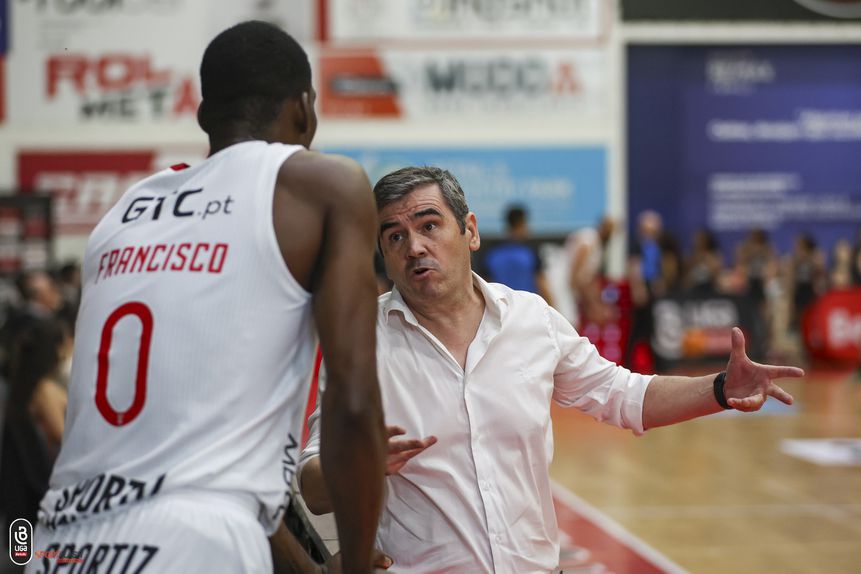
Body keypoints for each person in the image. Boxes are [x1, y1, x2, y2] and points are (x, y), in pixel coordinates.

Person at [297, 166, 803, 573]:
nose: (415, 247)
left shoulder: (531, 319)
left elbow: (624, 394)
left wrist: (719, 388)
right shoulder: (358, 341)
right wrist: (355, 459)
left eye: (429, 225)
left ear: (469, 231)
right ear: (382, 254)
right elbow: (313, 488)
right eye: (395, 237)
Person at [29, 21, 386, 574]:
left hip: (56, 542)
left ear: (203, 118)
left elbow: (207, 459)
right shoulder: (320, 185)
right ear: (305, 108)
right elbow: (354, 405)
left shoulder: (121, 216)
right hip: (195, 544)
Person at [482, 204, 554, 305]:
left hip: (501, 309)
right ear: (522, 223)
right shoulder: (529, 252)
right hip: (528, 309)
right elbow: (542, 284)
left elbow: (486, 285)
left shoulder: (492, 253)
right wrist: (554, 310)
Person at [565, 216, 615, 328]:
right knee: (569, 320)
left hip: (576, 287)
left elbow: (590, 278)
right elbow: (580, 256)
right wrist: (572, 284)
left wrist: (597, 303)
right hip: (564, 284)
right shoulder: (590, 237)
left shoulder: (599, 245)